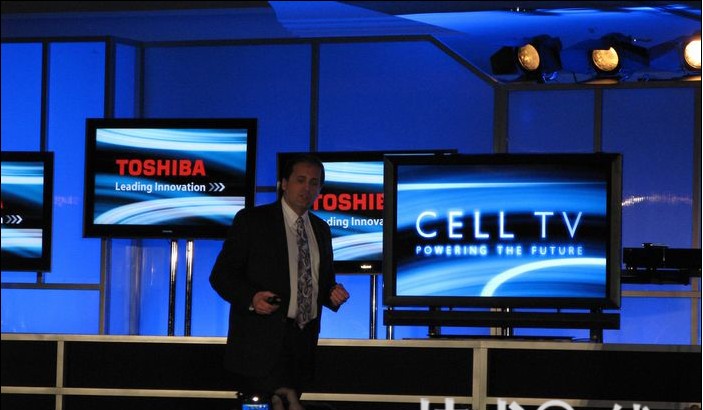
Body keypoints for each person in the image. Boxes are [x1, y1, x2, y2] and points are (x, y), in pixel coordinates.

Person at [210, 154, 350, 410]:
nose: (307, 188)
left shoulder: (321, 229)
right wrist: (252, 298)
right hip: (259, 347)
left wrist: (332, 293)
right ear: (284, 183)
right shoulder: (252, 221)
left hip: (302, 346)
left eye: (314, 183)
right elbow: (221, 275)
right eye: (300, 180)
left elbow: (321, 281)